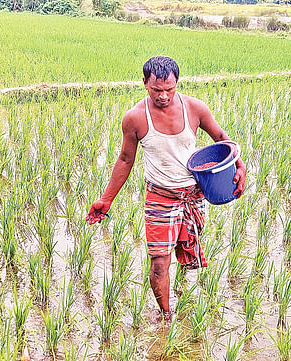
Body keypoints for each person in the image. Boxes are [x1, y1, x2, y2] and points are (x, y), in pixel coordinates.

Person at [85, 56, 246, 322]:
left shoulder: (194, 108)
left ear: (177, 83)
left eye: (169, 89)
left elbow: (220, 138)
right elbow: (126, 159)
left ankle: (182, 286)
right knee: (159, 263)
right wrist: (106, 199)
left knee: (186, 247)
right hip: (160, 196)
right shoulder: (135, 118)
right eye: (157, 90)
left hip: (193, 195)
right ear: (145, 84)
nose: (163, 96)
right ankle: (166, 315)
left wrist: (239, 164)